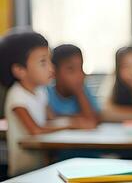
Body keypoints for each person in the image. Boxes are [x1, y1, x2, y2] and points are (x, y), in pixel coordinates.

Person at [0, 30, 70, 176]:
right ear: (19, 70)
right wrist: (72, 124)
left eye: (50, 60)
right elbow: (36, 130)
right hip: (22, 174)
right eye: (43, 62)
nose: (51, 68)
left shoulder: (40, 92)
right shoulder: (17, 96)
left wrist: (75, 121)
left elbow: (52, 120)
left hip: (41, 169)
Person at [47, 44, 99, 128]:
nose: (80, 75)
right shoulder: (45, 93)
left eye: (81, 68)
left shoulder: (84, 90)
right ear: (54, 72)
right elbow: (49, 120)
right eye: (71, 70)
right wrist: (76, 120)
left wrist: (80, 93)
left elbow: (93, 120)